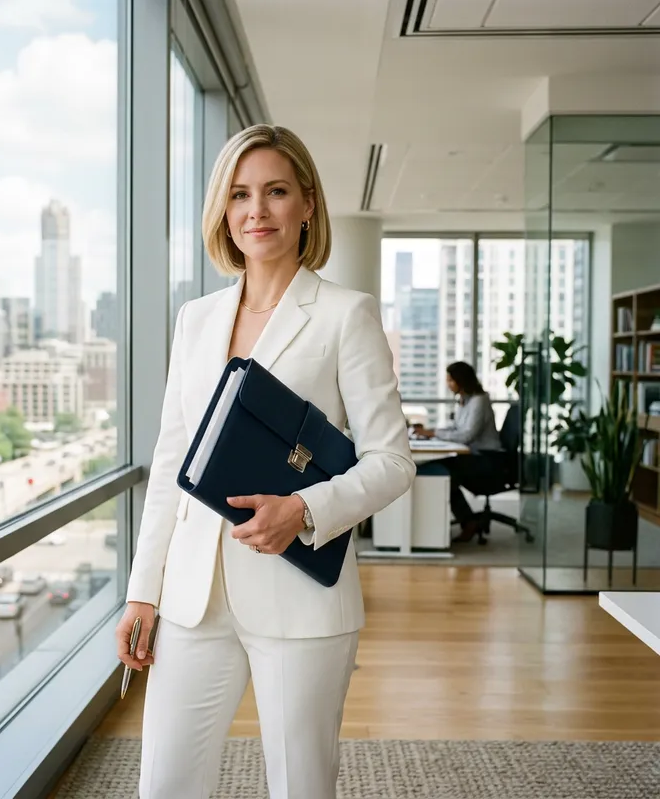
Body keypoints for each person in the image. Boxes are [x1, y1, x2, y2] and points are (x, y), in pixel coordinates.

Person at [115, 124, 415, 799]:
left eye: (276, 191)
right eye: (240, 194)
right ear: (223, 210)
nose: (257, 210)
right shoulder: (195, 318)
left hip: (300, 597)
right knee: (164, 785)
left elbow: (392, 460)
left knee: (300, 787)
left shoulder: (345, 314)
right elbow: (171, 463)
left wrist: (305, 507)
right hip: (194, 598)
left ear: (307, 203)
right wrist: (143, 590)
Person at [416, 361, 502, 542]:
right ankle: (464, 520)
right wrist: (432, 432)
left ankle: (467, 521)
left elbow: (467, 435)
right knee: (439, 468)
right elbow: (456, 427)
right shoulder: (466, 400)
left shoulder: (479, 400)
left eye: (451, 380)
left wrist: (432, 433)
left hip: (487, 459)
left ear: (461, 381)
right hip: (474, 455)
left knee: (444, 472)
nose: (448, 384)